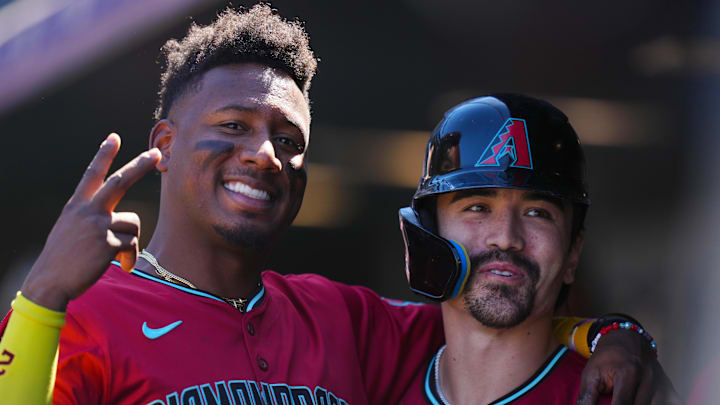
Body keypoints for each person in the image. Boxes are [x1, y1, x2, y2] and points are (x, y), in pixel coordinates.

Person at [0, 5, 668, 405]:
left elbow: (500, 307)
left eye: (288, 138)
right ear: (166, 144)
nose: (264, 152)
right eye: (234, 124)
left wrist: (615, 336)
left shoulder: (344, 318)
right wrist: (42, 297)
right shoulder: (86, 315)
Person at [398, 94, 680, 404]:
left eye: (538, 213)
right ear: (428, 234)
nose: (506, 237)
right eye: (478, 207)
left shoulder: (617, 398)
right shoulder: (377, 364)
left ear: (573, 253)